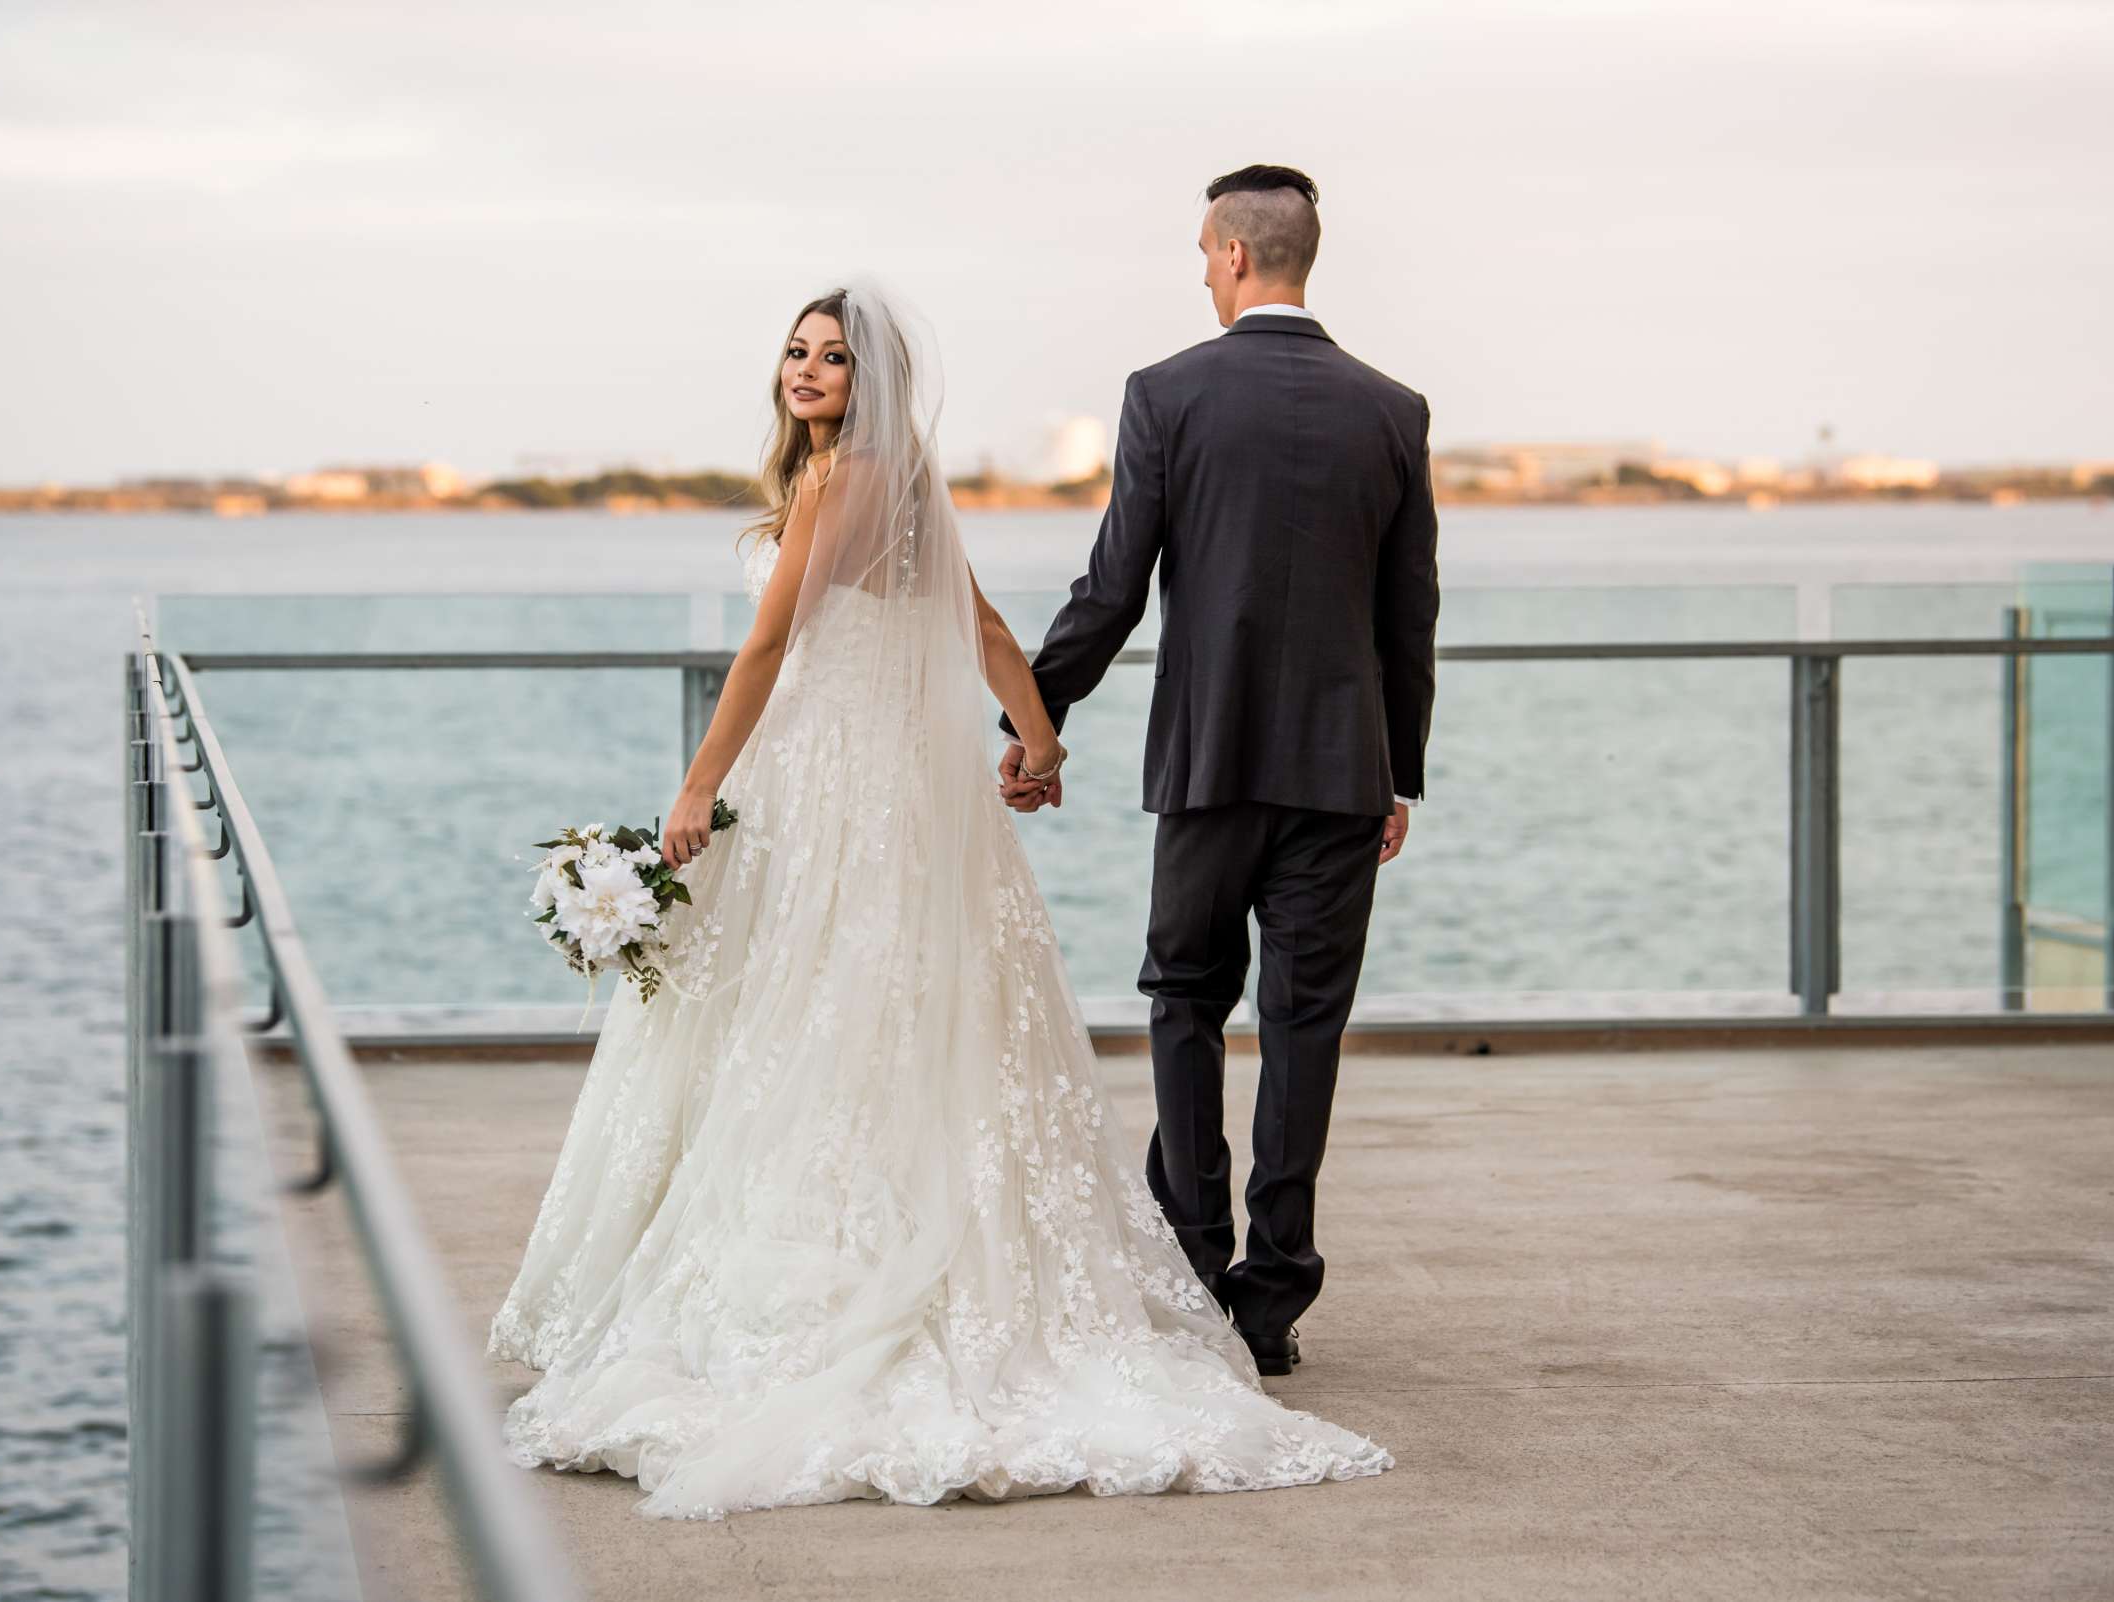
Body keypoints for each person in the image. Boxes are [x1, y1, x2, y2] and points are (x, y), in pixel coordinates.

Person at [485, 280, 1390, 1519]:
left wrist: (695, 788)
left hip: (823, 776)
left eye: (834, 359)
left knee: (807, 1018)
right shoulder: (905, 476)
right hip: (900, 787)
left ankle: (816, 1277)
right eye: (797, 353)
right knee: (900, 1017)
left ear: (873, 381)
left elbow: (760, 653)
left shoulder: (838, 481)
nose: (807, 372)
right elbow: (982, 623)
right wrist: (1037, 739)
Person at [1000, 164, 1440, 1379]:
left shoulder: (1167, 394)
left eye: (1204, 252)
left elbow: (1112, 586)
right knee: (1305, 1027)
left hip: (1206, 768)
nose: (1201, 270)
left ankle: (1193, 1259)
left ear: (1238, 256)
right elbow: (1412, 616)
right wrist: (1397, 772)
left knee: (1185, 999)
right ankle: (1273, 1298)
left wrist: (1033, 721)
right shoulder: (1392, 409)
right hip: (1342, 777)